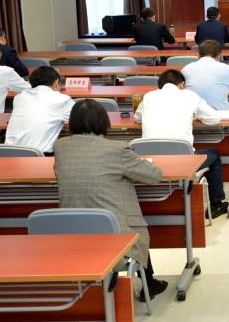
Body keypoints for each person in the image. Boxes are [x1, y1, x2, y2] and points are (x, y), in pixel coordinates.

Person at [53, 99, 169, 301]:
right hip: (113, 237)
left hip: (72, 234)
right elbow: (154, 176)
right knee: (130, 223)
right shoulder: (117, 149)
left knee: (119, 216)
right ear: (103, 121)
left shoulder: (60, 147)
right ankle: (148, 284)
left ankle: (146, 281)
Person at [134, 70, 229, 218]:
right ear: (182, 84)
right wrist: (197, 117)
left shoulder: (148, 96)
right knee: (214, 155)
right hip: (184, 162)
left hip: (150, 163)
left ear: (160, 85)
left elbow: (137, 118)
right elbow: (214, 119)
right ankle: (217, 203)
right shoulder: (190, 96)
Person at [3, 66, 74, 155]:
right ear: (56, 82)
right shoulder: (62, 100)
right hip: (37, 157)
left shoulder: (19, 97)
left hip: (7, 154)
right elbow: (82, 117)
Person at [182, 40, 229, 111]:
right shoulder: (227, 69)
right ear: (219, 55)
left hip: (193, 115)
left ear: (198, 54)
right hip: (219, 115)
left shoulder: (186, 69)